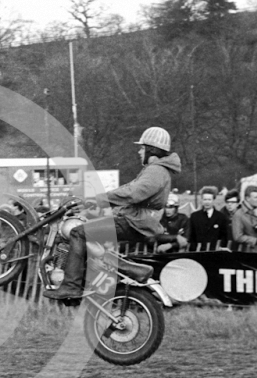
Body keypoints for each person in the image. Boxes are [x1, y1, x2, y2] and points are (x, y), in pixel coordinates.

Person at [44, 127, 181, 300]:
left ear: (152, 149)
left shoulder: (156, 170)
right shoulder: (156, 170)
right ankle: (134, 269)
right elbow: (128, 190)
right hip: (136, 220)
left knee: (78, 233)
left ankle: (71, 286)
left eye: (142, 148)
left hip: (134, 222)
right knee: (90, 237)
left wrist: (96, 200)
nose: (139, 152)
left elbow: (132, 193)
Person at [186, 186, 228, 251]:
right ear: (202, 200)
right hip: (198, 252)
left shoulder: (221, 217)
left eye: (209, 199)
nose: (207, 202)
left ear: (213, 200)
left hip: (214, 252)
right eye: (205, 199)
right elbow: (192, 237)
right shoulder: (194, 216)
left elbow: (224, 236)